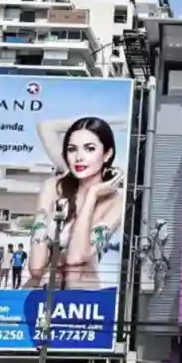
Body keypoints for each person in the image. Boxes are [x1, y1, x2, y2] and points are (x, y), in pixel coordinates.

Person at [31, 117, 126, 291]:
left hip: (83, 295)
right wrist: (114, 121)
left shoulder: (116, 202)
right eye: (72, 149)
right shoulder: (53, 187)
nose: (79, 157)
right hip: (42, 293)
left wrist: (92, 196)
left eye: (90, 149)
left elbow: (76, 257)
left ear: (107, 154)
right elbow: (36, 267)